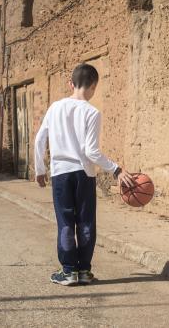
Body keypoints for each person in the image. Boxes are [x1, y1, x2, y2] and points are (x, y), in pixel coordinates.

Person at [34, 63, 134, 286]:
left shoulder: (55, 107)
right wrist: (116, 169)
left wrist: (40, 169)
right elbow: (91, 151)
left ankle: (68, 271)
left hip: (60, 174)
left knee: (66, 222)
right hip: (84, 174)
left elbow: (40, 139)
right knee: (86, 222)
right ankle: (84, 272)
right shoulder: (92, 112)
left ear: (72, 83)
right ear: (94, 86)